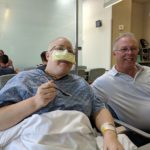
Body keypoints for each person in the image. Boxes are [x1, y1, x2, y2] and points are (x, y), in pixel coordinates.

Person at [0, 37, 123, 150]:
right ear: (48, 56)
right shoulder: (24, 79)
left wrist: (109, 134)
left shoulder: (81, 83)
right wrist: (34, 102)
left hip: (80, 141)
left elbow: (99, 109)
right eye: (60, 49)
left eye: (70, 52)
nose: (66, 54)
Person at [91, 32, 150, 146]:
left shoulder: (148, 71)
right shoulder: (103, 83)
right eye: (124, 49)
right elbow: (86, 101)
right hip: (142, 134)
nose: (130, 53)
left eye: (133, 48)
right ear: (114, 53)